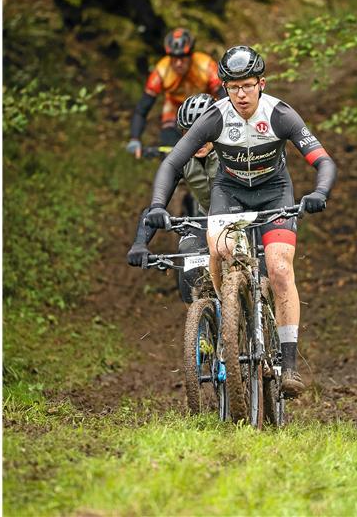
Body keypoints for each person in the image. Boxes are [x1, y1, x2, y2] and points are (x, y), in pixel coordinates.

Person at [144, 45, 336, 398]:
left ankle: (288, 364)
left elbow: (323, 160)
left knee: (278, 268)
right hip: (229, 193)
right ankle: (228, 323)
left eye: (247, 86)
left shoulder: (280, 114)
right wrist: (158, 204)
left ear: (261, 83)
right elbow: (172, 164)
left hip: (274, 192)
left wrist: (319, 193)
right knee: (218, 249)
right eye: (233, 87)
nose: (241, 94)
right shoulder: (215, 117)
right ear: (225, 88)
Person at [126, 93, 219, 303]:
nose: (199, 139)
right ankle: (200, 327)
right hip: (205, 220)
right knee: (187, 261)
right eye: (191, 133)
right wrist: (140, 243)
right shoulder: (181, 159)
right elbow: (155, 207)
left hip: (243, 217)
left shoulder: (231, 151)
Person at [126, 28, 223, 158]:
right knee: (170, 151)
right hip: (175, 109)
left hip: (205, 107)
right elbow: (142, 109)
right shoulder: (161, 71)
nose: (178, 63)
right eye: (174, 58)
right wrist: (135, 138)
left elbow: (225, 96)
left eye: (183, 58)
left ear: (191, 55)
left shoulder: (205, 65)